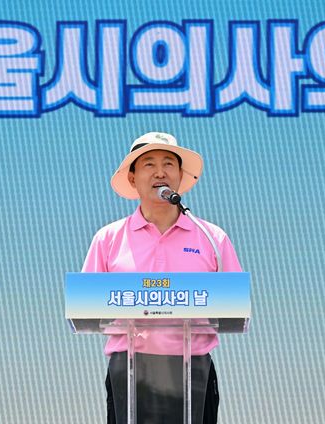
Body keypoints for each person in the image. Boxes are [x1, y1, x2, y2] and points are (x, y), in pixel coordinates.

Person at [82, 132, 242, 424]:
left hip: (194, 370)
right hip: (130, 370)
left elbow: (235, 307)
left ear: (180, 176)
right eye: (149, 164)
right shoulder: (108, 239)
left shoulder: (211, 237)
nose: (160, 172)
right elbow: (85, 308)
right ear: (132, 178)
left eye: (168, 163)